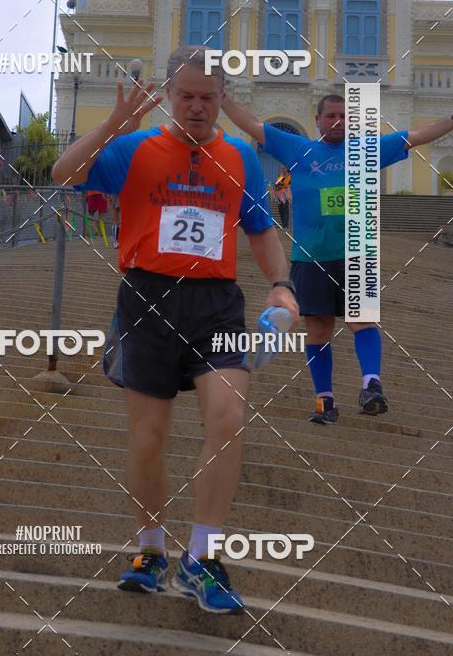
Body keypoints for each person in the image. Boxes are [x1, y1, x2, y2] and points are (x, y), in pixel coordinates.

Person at [52, 46, 298, 614]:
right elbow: (64, 174)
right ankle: (150, 550)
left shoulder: (239, 159)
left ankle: (202, 558)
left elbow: (260, 230)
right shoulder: (136, 149)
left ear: (221, 101)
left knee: (229, 417)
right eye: (185, 97)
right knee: (149, 436)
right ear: (168, 96)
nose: (195, 108)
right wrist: (115, 124)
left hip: (216, 304)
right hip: (147, 298)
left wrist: (283, 286)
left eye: (207, 99)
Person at [222, 92, 453, 424]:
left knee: (362, 321)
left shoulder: (366, 150)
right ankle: (324, 401)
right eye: (330, 116)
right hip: (311, 257)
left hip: (357, 254)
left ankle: (371, 384)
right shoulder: (297, 148)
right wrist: (222, 96)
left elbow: (415, 137)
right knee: (318, 328)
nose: (338, 121)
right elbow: (253, 125)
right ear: (317, 120)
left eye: (344, 116)